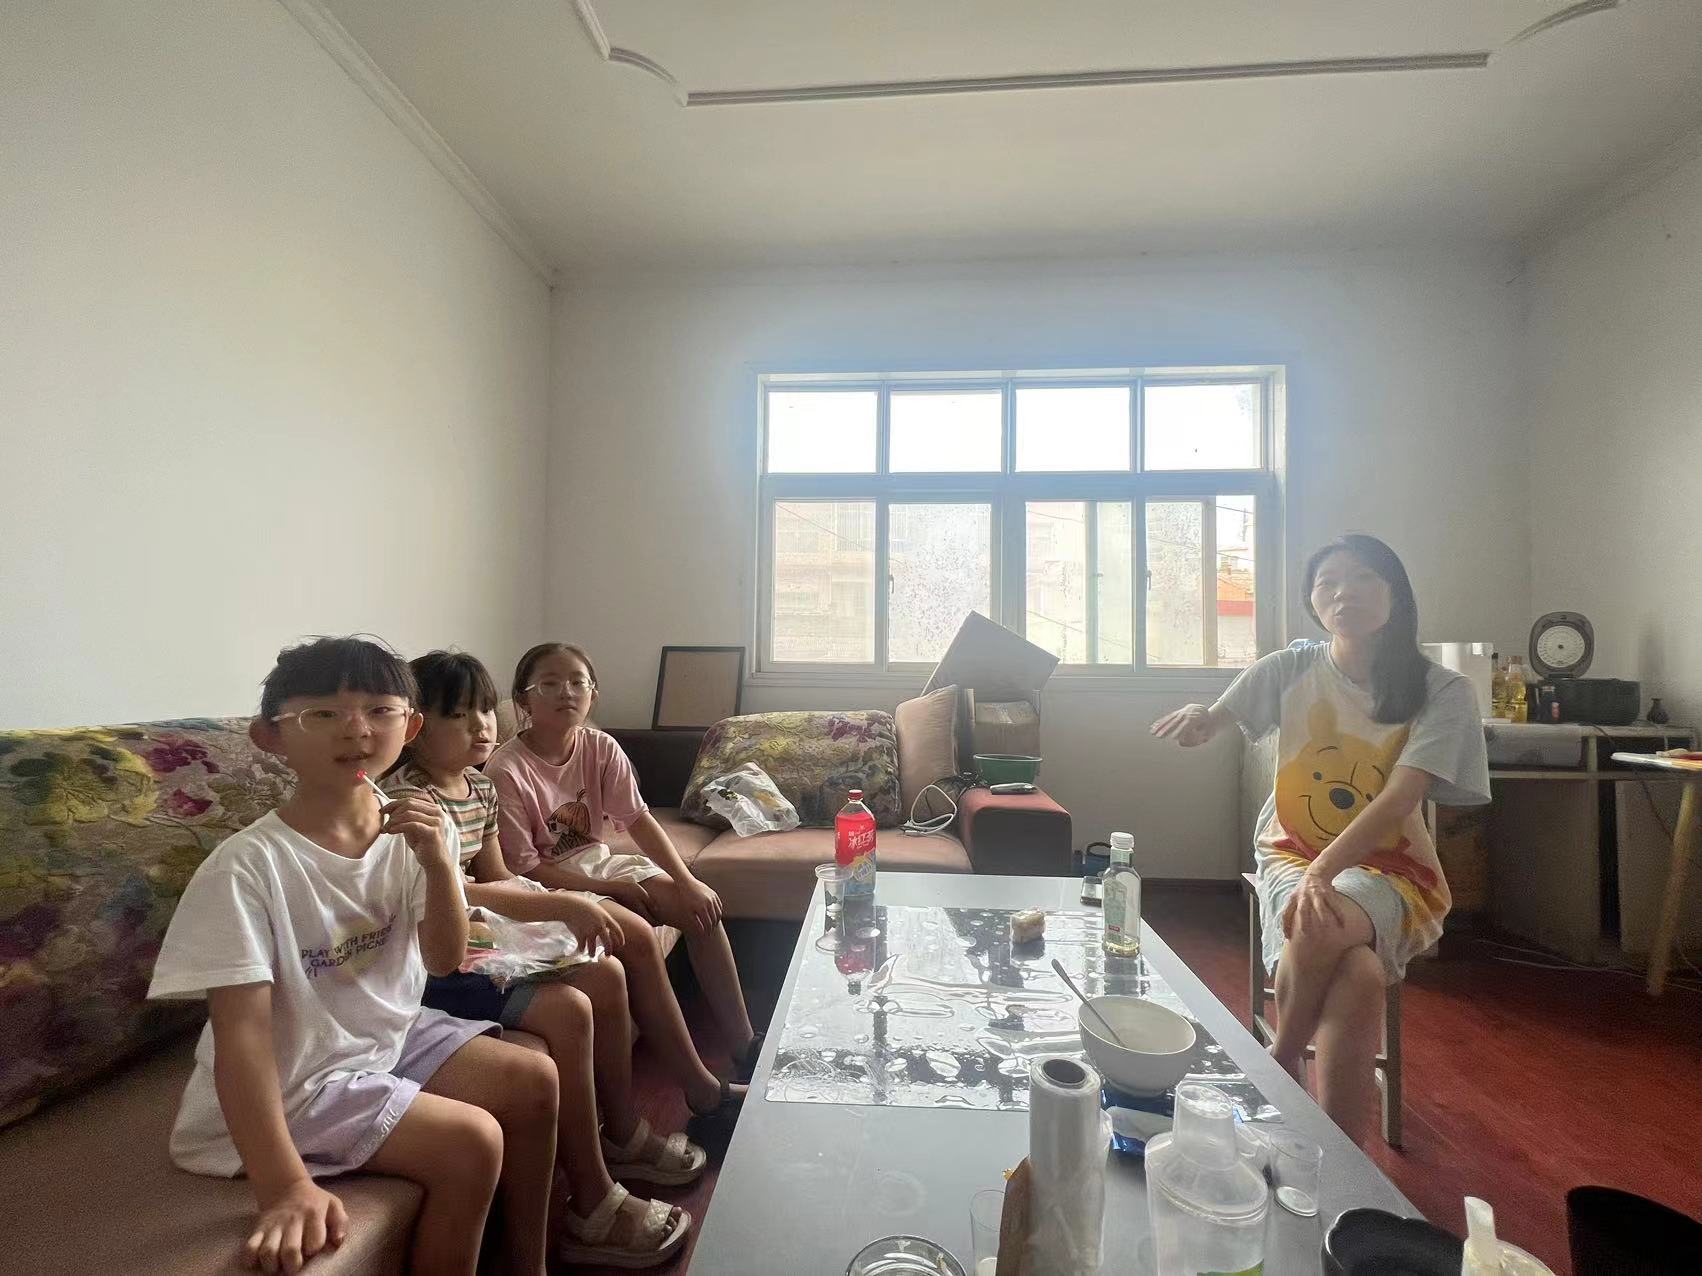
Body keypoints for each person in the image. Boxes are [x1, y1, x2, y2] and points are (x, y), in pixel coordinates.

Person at [147, 637, 559, 1276]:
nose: (357, 730)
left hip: (377, 1038)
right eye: (323, 714)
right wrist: (284, 1187)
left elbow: (444, 959)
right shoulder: (247, 869)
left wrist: (439, 866)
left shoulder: (418, 829)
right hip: (296, 1081)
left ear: (409, 727)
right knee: (471, 1141)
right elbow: (243, 1040)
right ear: (269, 736)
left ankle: (532, 1262)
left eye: (379, 710)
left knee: (535, 1080)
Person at [386, 650, 742, 1254]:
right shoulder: (413, 802)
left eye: (483, 710)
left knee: (606, 971)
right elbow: (456, 891)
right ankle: (595, 1192)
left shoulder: (478, 786)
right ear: (416, 728)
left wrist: (559, 908)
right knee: (590, 978)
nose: (480, 725)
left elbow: (497, 876)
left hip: (487, 920)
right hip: (443, 942)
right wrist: (568, 902)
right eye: (459, 715)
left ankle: (623, 1129)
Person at [1152, 535, 1489, 1142]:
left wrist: (1322, 872)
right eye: (1327, 582)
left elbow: (1399, 799)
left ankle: (1277, 1062)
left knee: (1320, 920)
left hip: (1394, 867)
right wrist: (1200, 720)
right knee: (1358, 974)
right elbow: (1217, 719)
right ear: (1311, 600)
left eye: (1362, 579)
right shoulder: (1292, 667)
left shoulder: (1442, 690)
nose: (1343, 593)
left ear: (1396, 593)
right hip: (1291, 848)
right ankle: (1342, 1165)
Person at [485, 643, 759, 1101]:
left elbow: (638, 820)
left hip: (598, 860)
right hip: (546, 884)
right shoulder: (506, 768)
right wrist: (609, 889)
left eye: (578, 682)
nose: (566, 692)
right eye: (549, 683)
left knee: (699, 909)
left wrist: (688, 881)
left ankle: (744, 1045)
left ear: (593, 694)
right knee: (637, 934)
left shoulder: (600, 746)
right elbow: (524, 868)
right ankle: (700, 1089)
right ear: (523, 700)